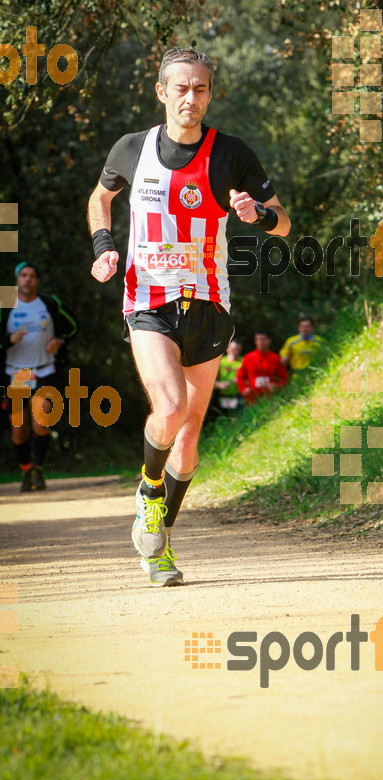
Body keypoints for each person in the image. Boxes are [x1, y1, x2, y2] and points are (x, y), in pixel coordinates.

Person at [87, 47, 290, 587]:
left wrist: (259, 214)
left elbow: (284, 224)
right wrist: (104, 246)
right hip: (147, 299)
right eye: (181, 88)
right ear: (162, 92)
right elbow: (99, 200)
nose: (191, 98)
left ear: (208, 93)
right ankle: (149, 491)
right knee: (170, 407)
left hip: (208, 303)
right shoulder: (133, 149)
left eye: (200, 88)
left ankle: (158, 542)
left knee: (191, 435)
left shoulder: (232, 153)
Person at [0, 261, 77, 491]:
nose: (27, 279)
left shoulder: (49, 303)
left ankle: (39, 470)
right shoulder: (5, 304)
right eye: (23, 275)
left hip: (44, 369)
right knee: (18, 430)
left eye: (32, 275)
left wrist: (60, 342)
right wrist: (8, 341)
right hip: (15, 373)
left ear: (37, 280)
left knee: (41, 422)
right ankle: (26, 468)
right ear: (16, 279)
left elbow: (73, 326)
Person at [236, 330, 288, 404]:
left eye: (263, 339)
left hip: (270, 400)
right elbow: (240, 377)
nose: (260, 342)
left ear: (269, 341)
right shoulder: (248, 358)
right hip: (251, 400)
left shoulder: (275, 358)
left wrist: (276, 386)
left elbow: (284, 378)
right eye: (258, 339)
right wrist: (243, 389)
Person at [214, 339, 243, 414]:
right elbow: (210, 383)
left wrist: (240, 380)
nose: (236, 352)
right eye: (234, 349)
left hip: (238, 396)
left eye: (238, 350)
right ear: (227, 348)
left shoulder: (243, 361)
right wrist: (219, 385)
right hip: (222, 397)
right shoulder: (220, 362)